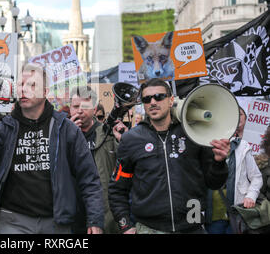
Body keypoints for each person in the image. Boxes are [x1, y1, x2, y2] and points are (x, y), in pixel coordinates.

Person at [0, 63, 104, 234]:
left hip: (56, 221)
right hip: (14, 220)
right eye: (20, 84)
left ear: (45, 91)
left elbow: (89, 178)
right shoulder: (5, 127)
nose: (24, 89)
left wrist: (95, 220)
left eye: (32, 85)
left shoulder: (65, 128)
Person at [108, 78, 231, 234]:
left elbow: (214, 183)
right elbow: (117, 188)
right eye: (146, 99)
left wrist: (219, 163)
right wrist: (125, 225)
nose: (152, 102)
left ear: (171, 99)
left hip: (193, 226)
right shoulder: (131, 140)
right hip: (149, 229)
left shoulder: (194, 133)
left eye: (159, 97)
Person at [69, 86, 124, 234]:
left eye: (85, 106)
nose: (79, 110)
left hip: (104, 211)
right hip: (73, 213)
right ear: (70, 109)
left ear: (94, 109)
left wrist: (123, 140)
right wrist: (69, 137)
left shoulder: (108, 133)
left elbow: (126, 163)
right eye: (75, 106)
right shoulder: (62, 134)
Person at [205, 107, 263, 234]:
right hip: (213, 215)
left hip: (237, 212)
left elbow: (256, 177)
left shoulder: (243, 146)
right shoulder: (206, 143)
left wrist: (251, 196)